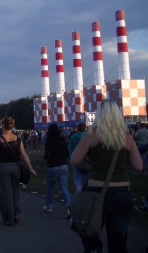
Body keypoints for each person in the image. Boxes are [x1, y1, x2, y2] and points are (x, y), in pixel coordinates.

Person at [70, 99, 143, 253]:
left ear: (99, 115)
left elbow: (74, 160)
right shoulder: (126, 137)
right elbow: (139, 166)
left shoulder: (92, 135)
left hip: (97, 193)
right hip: (123, 192)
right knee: (118, 242)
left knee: (89, 232)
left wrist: (92, 162)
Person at [0, 116, 37, 226]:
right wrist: (31, 168)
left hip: (2, 167)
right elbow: (24, 155)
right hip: (15, 167)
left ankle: (8, 217)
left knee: (5, 193)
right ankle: (15, 213)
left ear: (3, 126)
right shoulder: (17, 139)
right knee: (15, 191)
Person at [42, 123, 71, 219]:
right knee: (64, 188)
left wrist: (46, 158)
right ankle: (68, 209)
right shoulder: (62, 140)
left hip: (52, 166)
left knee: (50, 188)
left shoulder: (49, 141)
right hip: (63, 166)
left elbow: (47, 155)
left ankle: (49, 206)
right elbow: (67, 153)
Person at [68, 123, 89, 191]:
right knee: (86, 180)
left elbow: (70, 150)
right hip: (87, 161)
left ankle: (78, 194)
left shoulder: (73, 137)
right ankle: (84, 194)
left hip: (76, 161)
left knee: (77, 180)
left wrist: (69, 162)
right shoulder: (88, 136)